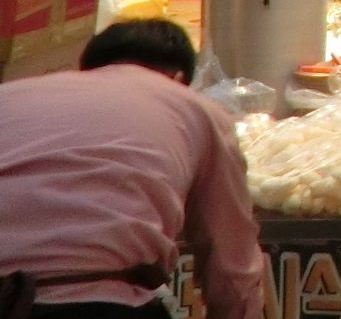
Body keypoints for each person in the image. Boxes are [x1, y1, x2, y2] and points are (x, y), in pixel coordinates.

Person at [0, 20, 265, 319]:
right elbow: (232, 266)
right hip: (93, 303)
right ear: (178, 78)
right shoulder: (195, 109)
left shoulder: (10, 94)